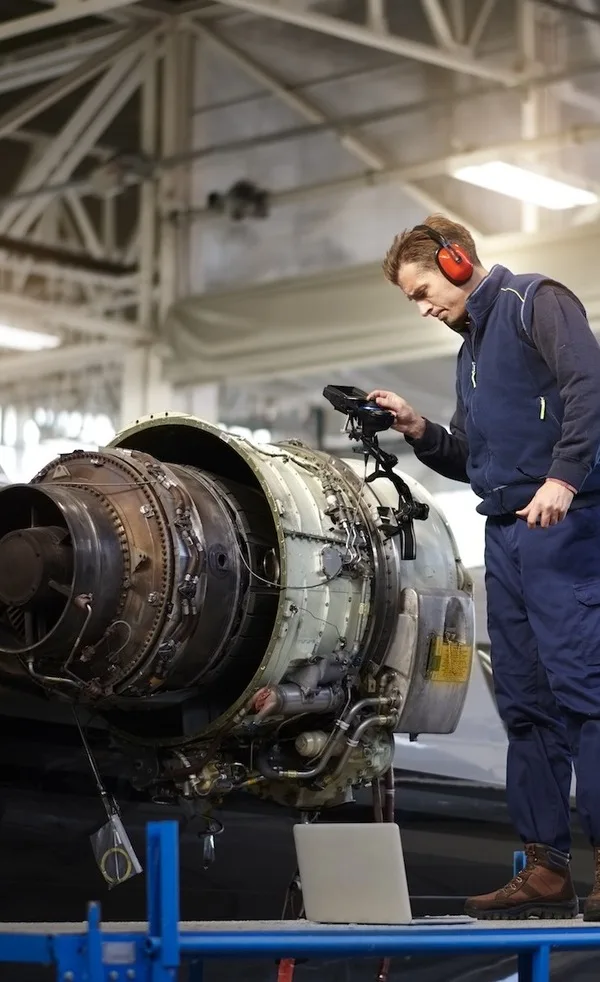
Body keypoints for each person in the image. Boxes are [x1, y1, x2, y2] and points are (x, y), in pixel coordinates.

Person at [369, 215, 600, 921]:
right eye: (412, 299)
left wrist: (563, 477)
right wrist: (419, 431)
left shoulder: (539, 302)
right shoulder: (467, 352)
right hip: (506, 533)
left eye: (423, 289)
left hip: (567, 524)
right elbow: (471, 457)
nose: (424, 305)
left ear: (458, 260)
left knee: (586, 695)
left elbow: (591, 389)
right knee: (527, 708)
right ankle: (545, 868)